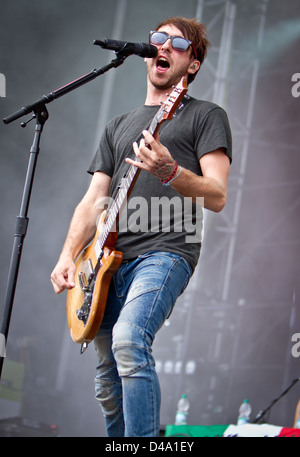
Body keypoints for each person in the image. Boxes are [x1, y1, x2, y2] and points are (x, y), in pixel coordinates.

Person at [51, 16, 232, 437]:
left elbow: (218, 196)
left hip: (167, 251)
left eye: (178, 44)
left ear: (194, 64)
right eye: (157, 40)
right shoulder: (118, 125)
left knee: (130, 341)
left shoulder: (206, 116)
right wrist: (67, 255)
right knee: (107, 378)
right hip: (104, 262)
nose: (163, 47)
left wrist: (170, 170)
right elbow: (94, 200)